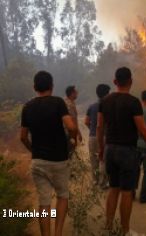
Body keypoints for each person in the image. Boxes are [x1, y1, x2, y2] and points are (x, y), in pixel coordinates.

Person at [97, 67, 146, 235]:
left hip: (110, 150)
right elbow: (143, 130)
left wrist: (101, 148)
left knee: (113, 188)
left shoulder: (104, 101)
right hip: (127, 152)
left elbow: (100, 127)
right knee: (127, 192)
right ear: (130, 81)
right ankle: (124, 230)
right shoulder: (133, 102)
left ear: (115, 82)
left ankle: (108, 226)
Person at [20, 71, 77, 236]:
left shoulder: (27, 107)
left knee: (44, 203)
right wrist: (72, 141)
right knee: (62, 196)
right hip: (59, 160)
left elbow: (23, 137)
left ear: (34, 87)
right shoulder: (58, 103)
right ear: (52, 86)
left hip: (38, 162)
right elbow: (72, 127)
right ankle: (58, 233)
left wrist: (34, 150)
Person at [85, 84, 111, 187]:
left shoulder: (91, 106)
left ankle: (95, 181)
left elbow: (86, 121)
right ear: (106, 94)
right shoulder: (108, 106)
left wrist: (92, 130)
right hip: (104, 136)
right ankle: (103, 182)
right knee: (103, 159)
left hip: (92, 137)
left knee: (93, 159)